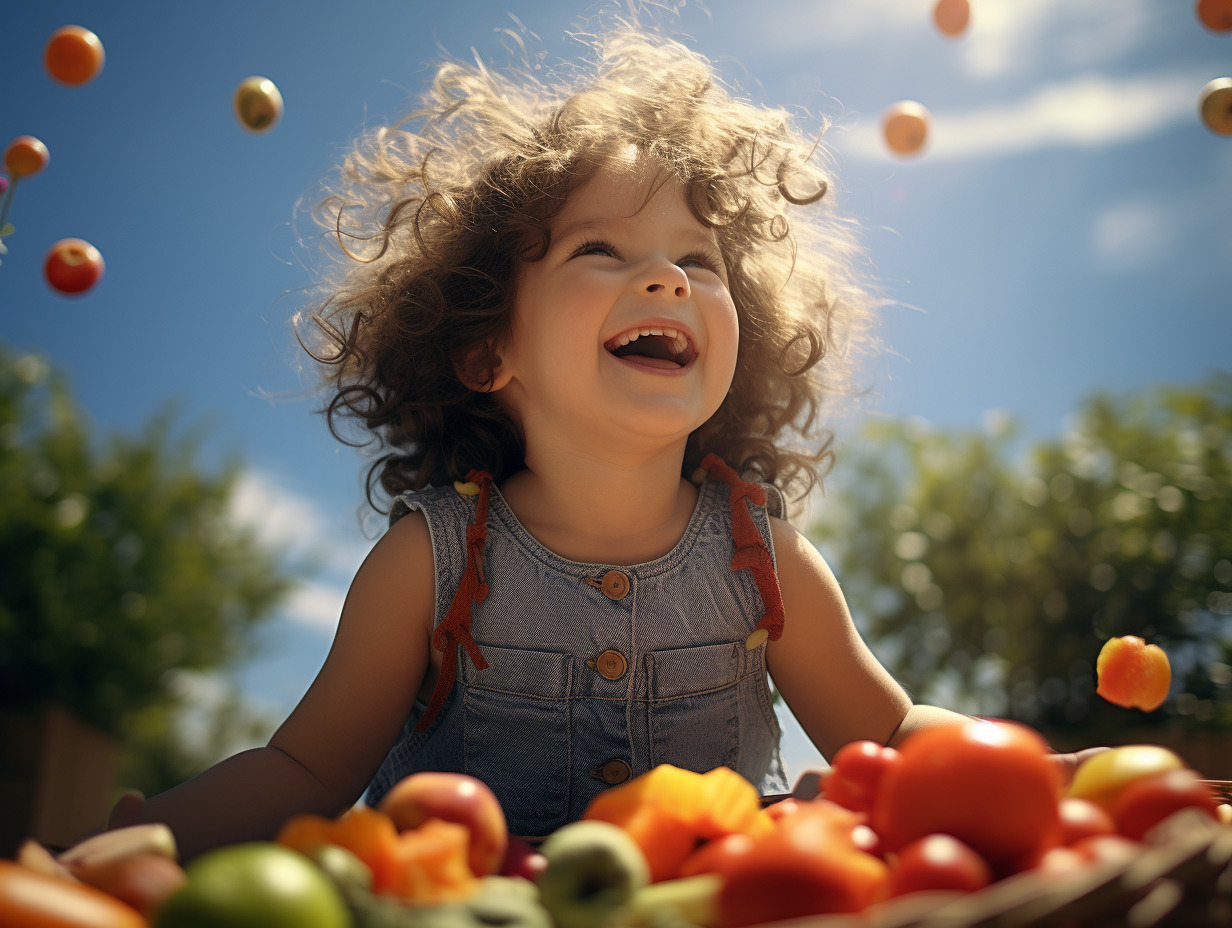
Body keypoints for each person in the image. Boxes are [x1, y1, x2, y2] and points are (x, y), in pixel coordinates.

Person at [103, 22, 1071, 861]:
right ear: (488, 351)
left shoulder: (763, 558)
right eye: (599, 249)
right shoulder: (427, 565)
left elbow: (891, 729)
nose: (668, 279)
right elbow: (302, 768)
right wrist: (123, 847)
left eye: (698, 259)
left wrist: (1039, 774)